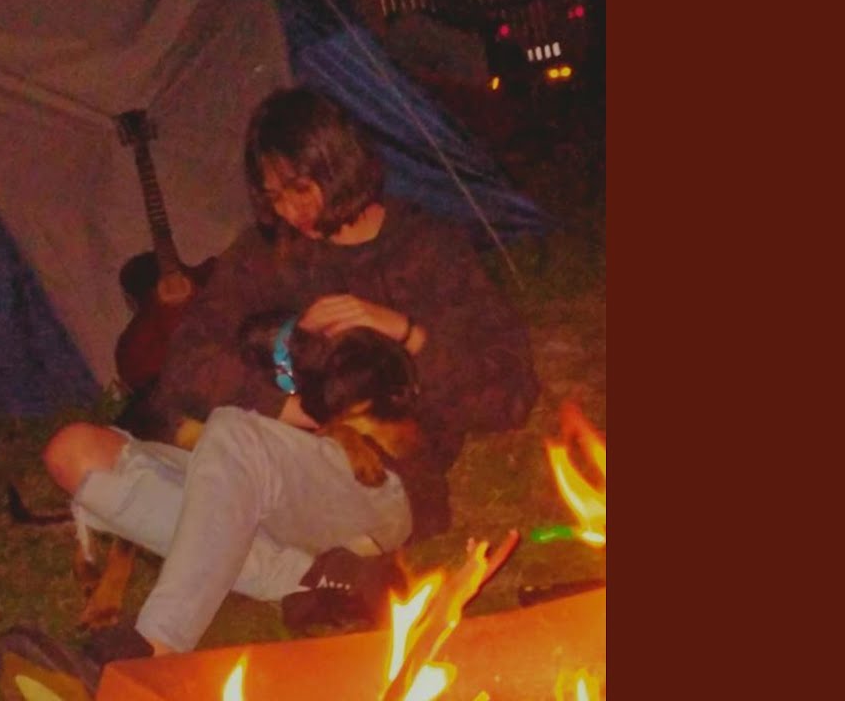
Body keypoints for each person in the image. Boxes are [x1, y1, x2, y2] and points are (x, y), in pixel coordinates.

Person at [41, 86, 538, 661]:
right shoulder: (266, 253)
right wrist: (290, 408)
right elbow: (185, 360)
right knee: (74, 452)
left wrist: (404, 331)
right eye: (274, 195)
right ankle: (317, 579)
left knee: (234, 432)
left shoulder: (424, 248)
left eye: (300, 188)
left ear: (340, 164)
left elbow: (510, 394)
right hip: (260, 469)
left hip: (378, 483)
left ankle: (152, 646)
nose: (288, 211)